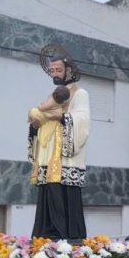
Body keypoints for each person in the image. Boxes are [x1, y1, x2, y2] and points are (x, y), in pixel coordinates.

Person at [28, 52, 91, 240]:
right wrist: (35, 123)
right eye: (52, 70)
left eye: (58, 70)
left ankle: (66, 239)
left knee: (63, 199)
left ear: (69, 70)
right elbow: (41, 115)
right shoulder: (52, 95)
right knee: (47, 199)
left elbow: (82, 120)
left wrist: (58, 116)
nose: (55, 73)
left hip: (65, 158)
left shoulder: (79, 93)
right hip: (48, 155)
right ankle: (45, 237)